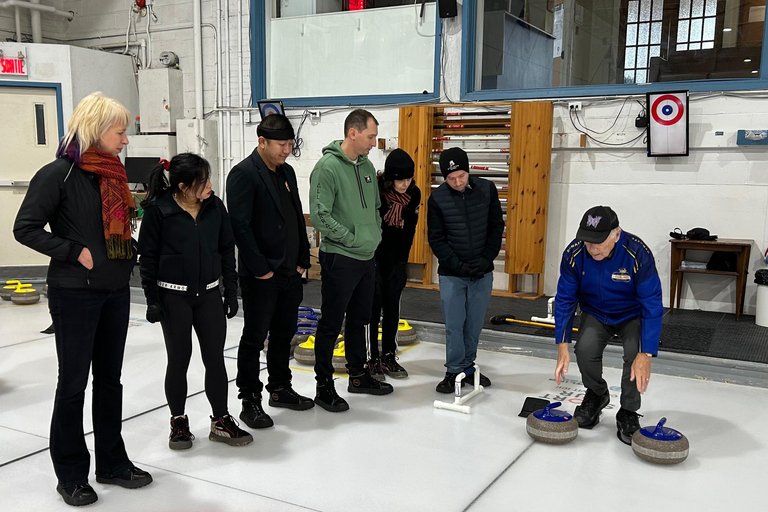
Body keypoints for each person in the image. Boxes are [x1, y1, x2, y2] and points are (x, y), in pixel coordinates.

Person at [13, 92, 152, 507]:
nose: (125, 140)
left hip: (114, 291)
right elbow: (26, 228)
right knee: (73, 383)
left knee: (110, 380)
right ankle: (71, 474)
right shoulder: (59, 174)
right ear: (96, 129)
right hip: (75, 293)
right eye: (120, 131)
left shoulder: (112, 175)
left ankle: (112, 462)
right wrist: (74, 251)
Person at [139, 153, 252, 449]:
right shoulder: (159, 210)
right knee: (179, 359)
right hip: (173, 296)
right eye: (203, 182)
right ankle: (178, 421)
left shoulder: (215, 207)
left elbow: (227, 250)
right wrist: (152, 298)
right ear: (182, 186)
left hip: (209, 296)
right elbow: (148, 258)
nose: (210, 186)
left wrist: (230, 290)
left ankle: (221, 420)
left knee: (215, 359)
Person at [226, 114, 314, 430]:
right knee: (254, 338)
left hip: (291, 272)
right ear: (262, 142)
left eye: (290, 144)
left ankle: (279, 388)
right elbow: (240, 227)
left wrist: (303, 258)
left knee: (283, 333)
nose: (287, 150)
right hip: (261, 276)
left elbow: (295, 218)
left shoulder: (287, 171)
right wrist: (261, 270)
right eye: (281, 144)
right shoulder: (243, 175)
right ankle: (250, 399)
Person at [553, 205, 663, 445]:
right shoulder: (574, 253)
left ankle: (628, 411)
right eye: (587, 241)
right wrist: (562, 344)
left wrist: (647, 353)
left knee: (635, 355)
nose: (592, 248)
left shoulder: (637, 253)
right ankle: (596, 394)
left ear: (616, 234)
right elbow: (565, 299)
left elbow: (652, 303)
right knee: (585, 349)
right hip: (595, 312)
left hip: (632, 314)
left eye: (598, 242)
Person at [309, 108, 392, 412]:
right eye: (371, 136)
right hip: (340, 258)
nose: (374, 142)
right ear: (353, 133)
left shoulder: (368, 166)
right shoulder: (327, 168)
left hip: (366, 257)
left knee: (360, 320)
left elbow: (374, 209)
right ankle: (324, 385)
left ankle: (357, 375)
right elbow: (320, 216)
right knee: (331, 323)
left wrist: (373, 236)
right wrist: (352, 238)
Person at [427, 147, 504, 393]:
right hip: (452, 273)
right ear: (444, 178)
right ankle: (453, 370)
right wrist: (457, 264)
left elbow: (495, 227)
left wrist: (486, 258)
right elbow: (436, 239)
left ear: (468, 170)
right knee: (454, 323)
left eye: (461, 176)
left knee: (473, 323)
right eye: (451, 179)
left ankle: (468, 366)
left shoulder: (487, 189)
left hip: (482, 271)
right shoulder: (437, 199)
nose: (458, 182)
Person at [367, 149, 421, 380]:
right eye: (400, 179)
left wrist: (402, 262)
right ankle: (372, 358)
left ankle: (389, 354)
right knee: (372, 310)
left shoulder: (414, 194)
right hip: (376, 257)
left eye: (409, 179)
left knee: (392, 309)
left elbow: (410, 229)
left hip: (397, 258)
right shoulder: (377, 193)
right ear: (390, 178)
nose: (405, 184)